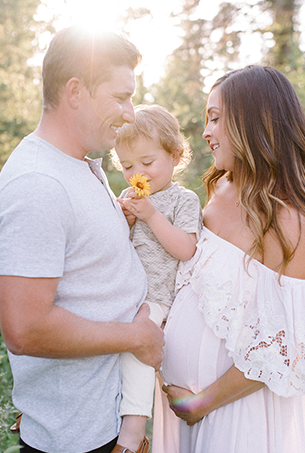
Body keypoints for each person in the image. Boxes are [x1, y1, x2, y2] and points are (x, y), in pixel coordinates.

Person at [152, 65, 305, 453]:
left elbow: (284, 345)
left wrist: (199, 403)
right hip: (176, 412)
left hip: (237, 416)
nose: (206, 132)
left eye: (216, 118)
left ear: (253, 122)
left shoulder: (294, 221)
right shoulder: (221, 188)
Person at [0, 26, 164, 453]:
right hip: (78, 438)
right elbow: (25, 329)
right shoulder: (38, 183)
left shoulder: (84, 163)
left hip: (112, 421)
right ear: (75, 91)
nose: (130, 113)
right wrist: (135, 337)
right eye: (120, 97)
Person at [111, 105, 203, 453]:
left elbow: (185, 248)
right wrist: (127, 223)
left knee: (137, 348)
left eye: (147, 163)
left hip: (157, 296)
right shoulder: (126, 198)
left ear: (175, 155)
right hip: (122, 291)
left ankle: (133, 435)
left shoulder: (184, 199)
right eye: (128, 166)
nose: (138, 174)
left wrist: (149, 215)